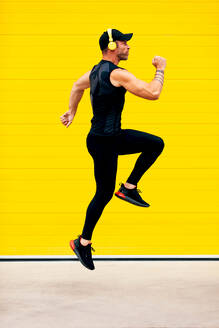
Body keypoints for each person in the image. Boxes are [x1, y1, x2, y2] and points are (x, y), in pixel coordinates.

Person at [60, 28, 166, 270]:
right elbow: (153, 93)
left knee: (105, 191)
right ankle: (125, 191)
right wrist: (160, 68)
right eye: (123, 43)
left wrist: (72, 111)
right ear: (111, 47)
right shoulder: (118, 74)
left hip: (98, 139)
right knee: (154, 146)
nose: (128, 46)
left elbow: (77, 87)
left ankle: (125, 191)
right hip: (108, 141)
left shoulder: (94, 71)